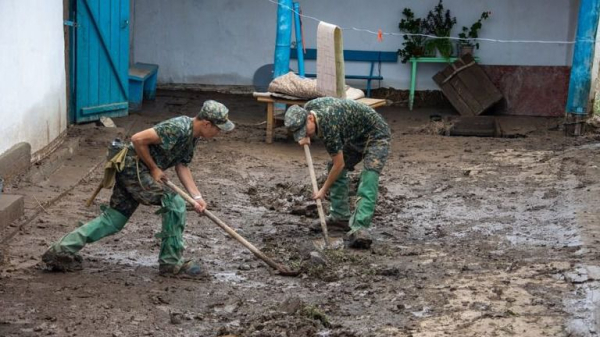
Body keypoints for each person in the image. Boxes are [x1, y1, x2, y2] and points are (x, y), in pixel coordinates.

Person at [42, 100, 235, 278]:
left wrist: (197, 197)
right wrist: (153, 168)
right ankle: (171, 263)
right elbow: (137, 138)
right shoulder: (178, 127)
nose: (219, 133)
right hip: (134, 168)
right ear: (207, 124)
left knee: (114, 219)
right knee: (174, 202)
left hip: (135, 169)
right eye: (218, 128)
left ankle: (60, 250)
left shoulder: (193, 137)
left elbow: (182, 166)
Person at [284, 97, 390, 249]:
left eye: (304, 130)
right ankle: (339, 216)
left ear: (310, 118)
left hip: (376, 134)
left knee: (369, 175)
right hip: (356, 135)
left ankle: (360, 227)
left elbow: (339, 164)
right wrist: (305, 135)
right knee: (332, 167)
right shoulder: (308, 108)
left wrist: (323, 190)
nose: (303, 134)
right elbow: (336, 164)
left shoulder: (328, 126)